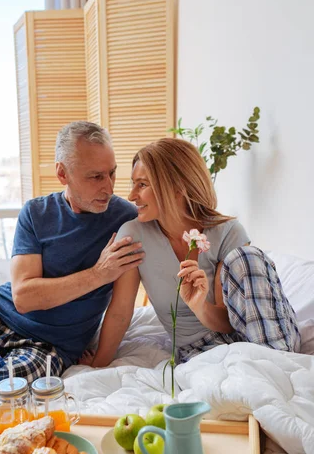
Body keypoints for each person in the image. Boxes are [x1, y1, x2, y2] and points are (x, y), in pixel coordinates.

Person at [0, 121, 143, 403]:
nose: (108, 187)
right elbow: (23, 297)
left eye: (112, 173)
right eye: (95, 177)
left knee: (9, 389)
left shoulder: (126, 221)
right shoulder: (36, 212)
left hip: (52, 345)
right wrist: (98, 274)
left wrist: (99, 362)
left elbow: (121, 309)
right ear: (63, 173)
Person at [83, 137, 301, 369]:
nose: (131, 195)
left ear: (176, 188)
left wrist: (201, 306)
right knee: (236, 378)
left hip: (263, 334)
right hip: (201, 349)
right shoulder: (134, 234)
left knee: (245, 258)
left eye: (142, 185)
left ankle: (278, 367)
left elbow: (228, 323)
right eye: (133, 183)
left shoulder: (226, 232)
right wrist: (98, 363)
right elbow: (120, 311)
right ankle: (262, 371)